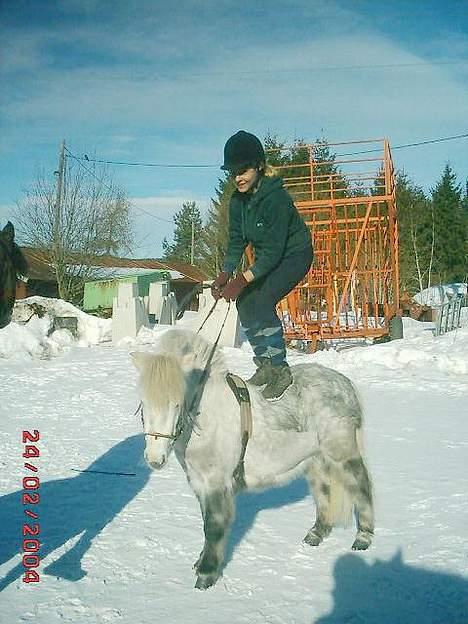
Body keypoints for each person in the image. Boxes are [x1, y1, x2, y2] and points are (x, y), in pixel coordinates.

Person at [212, 130, 313, 400]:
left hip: (295, 255)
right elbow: (236, 241)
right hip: (270, 256)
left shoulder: (275, 200)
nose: (238, 177)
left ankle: (280, 368)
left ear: (258, 165)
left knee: (263, 300)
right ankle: (265, 364)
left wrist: (242, 279)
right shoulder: (237, 202)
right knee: (245, 302)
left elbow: (272, 253)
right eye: (232, 172)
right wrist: (226, 273)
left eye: (243, 170)